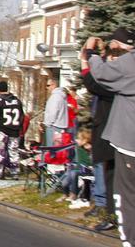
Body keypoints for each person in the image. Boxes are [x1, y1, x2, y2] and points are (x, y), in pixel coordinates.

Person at [84, 29, 135, 242]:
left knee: (126, 198)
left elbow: (101, 75)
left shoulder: (130, 64)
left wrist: (89, 52)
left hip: (129, 143)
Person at [81, 29, 123, 231]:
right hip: (110, 133)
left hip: (113, 134)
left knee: (113, 178)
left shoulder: (117, 82)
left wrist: (88, 55)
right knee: (110, 175)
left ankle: (113, 215)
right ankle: (110, 212)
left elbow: (94, 84)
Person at [44, 76, 69, 147]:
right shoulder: (62, 96)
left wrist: (48, 123)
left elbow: (53, 112)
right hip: (61, 126)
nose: (47, 88)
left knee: (52, 150)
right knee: (59, 150)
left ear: (53, 85)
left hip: (54, 126)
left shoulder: (55, 97)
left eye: (48, 85)